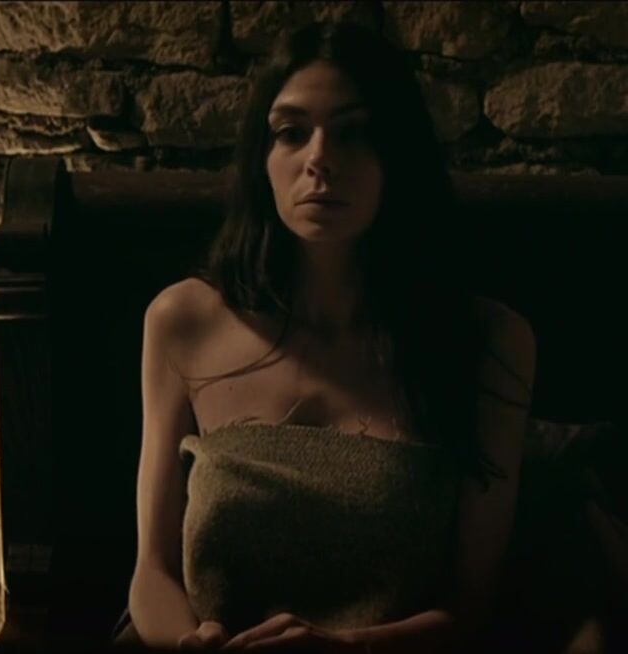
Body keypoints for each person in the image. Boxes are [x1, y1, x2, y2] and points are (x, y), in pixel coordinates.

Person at [127, 22, 535, 653]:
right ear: (261, 160)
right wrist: (189, 642)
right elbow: (151, 572)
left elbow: (471, 605)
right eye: (291, 133)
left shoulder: (488, 341)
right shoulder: (183, 321)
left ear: (398, 155)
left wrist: (345, 648)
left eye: (354, 132)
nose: (319, 159)